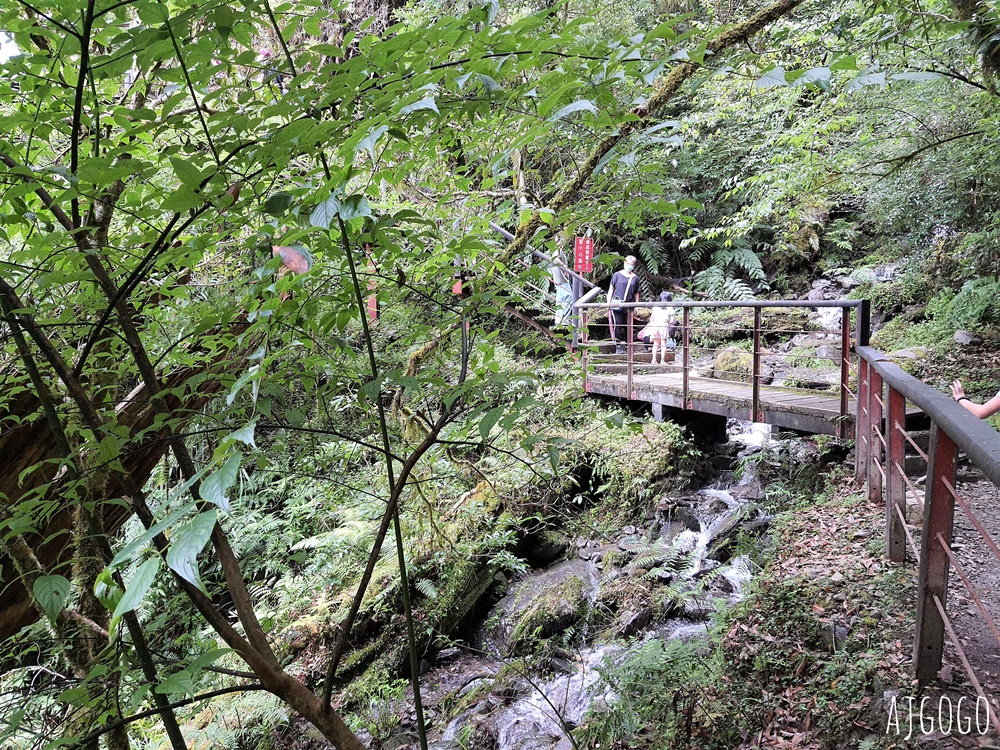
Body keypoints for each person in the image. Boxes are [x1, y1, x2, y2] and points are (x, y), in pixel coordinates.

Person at [607, 255, 639, 353]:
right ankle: (618, 347)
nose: (629, 266)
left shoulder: (635, 278)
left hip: (629, 305)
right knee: (618, 324)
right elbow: (611, 288)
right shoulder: (617, 275)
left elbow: (637, 292)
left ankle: (629, 346)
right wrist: (608, 303)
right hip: (616, 304)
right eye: (628, 263)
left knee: (628, 326)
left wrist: (637, 305)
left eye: (632, 264)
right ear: (624, 263)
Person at [646, 291, 676, 364]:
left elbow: (652, 318)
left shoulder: (655, 307)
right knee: (663, 344)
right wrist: (668, 322)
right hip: (663, 326)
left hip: (655, 326)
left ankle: (654, 360)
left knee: (655, 343)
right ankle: (662, 361)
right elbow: (672, 320)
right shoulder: (670, 307)